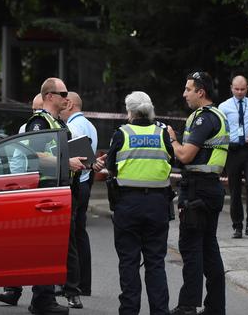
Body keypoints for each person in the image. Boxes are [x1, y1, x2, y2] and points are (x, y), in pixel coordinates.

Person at [0, 77, 87, 315]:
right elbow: (33, 152)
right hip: (46, 193)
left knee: (55, 247)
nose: (67, 98)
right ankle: (42, 300)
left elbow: (60, 152)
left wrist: (83, 161)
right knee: (46, 246)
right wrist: (67, 162)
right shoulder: (39, 121)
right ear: (49, 96)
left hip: (63, 192)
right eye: (63, 93)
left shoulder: (58, 122)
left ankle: (44, 298)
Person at [106, 91, 174, 315]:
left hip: (128, 205)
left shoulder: (121, 134)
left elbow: (112, 167)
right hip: (158, 205)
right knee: (155, 263)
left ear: (130, 111)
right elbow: (171, 160)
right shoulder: (162, 133)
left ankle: (129, 311)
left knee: (129, 262)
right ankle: (160, 311)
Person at [168, 72, 229, 315]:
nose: (184, 94)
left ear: (200, 92)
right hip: (208, 188)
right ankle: (215, 307)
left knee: (191, 247)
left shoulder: (205, 119)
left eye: (188, 89)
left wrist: (172, 140)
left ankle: (187, 305)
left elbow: (185, 156)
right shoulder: (213, 116)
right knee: (208, 247)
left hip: (198, 190)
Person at [218, 75, 248, 239]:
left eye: (242, 89)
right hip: (232, 151)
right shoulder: (224, 106)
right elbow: (219, 130)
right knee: (235, 189)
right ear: (231, 88)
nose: (239, 92)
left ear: (247, 88)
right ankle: (237, 226)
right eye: (236, 89)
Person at [60, 91, 98, 298]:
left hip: (78, 183)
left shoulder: (74, 126)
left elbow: (74, 159)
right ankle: (84, 283)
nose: (61, 107)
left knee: (72, 237)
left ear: (71, 104)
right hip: (86, 182)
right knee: (81, 234)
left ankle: (72, 284)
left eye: (64, 103)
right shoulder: (89, 124)